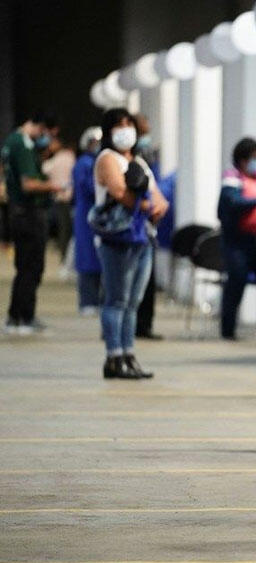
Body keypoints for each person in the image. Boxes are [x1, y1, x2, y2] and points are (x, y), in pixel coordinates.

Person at [94, 108, 168, 378]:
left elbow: (158, 195)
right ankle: (113, 356)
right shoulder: (107, 158)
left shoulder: (138, 161)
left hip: (142, 236)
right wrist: (148, 206)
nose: (125, 130)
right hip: (118, 238)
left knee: (133, 301)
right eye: (119, 125)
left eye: (129, 124)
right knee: (117, 299)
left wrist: (158, 206)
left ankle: (129, 353)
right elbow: (119, 191)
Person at [1, 111, 61, 335]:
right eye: (46, 133)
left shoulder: (12, 141)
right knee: (31, 267)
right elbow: (29, 184)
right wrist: (53, 186)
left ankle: (17, 315)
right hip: (29, 213)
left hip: (19, 212)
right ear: (40, 126)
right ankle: (24, 316)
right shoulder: (23, 145)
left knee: (24, 266)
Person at [217, 137, 256, 341]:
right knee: (236, 281)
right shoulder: (232, 179)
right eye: (255, 157)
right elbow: (233, 202)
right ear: (243, 160)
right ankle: (228, 330)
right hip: (236, 242)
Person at [133, 113, 162, 340]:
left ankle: (144, 325)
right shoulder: (129, 161)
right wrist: (148, 206)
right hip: (132, 231)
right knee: (127, 288)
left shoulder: (146, 159)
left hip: (147, 230)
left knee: (146, 283)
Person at [72, 126, 103, 314]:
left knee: (98, 259)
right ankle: (87, 301)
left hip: (97, 216)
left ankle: (97, 300)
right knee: (87, 259)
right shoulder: (84, 163)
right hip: (86, 216)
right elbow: (90, 187)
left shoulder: (98, 162)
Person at [42, 136, 76, 270]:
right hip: (71, 199)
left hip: (62, 199)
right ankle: (68, 261)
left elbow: (43, 169)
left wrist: (44, 155)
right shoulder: (71, 157)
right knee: (67, 231)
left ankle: (65, 261)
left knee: (64, 231)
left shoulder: (56, 159)